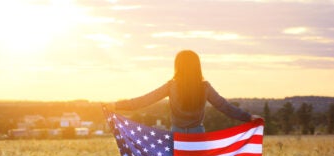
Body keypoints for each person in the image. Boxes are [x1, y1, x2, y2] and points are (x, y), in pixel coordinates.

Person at [108, 50, 262, 133]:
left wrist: (116, 105)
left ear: (178, 66)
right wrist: (248, 117)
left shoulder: (171, 86)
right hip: (198, 134)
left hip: (177, 134)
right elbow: (224, 106)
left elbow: (143, 101)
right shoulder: (205, 87)